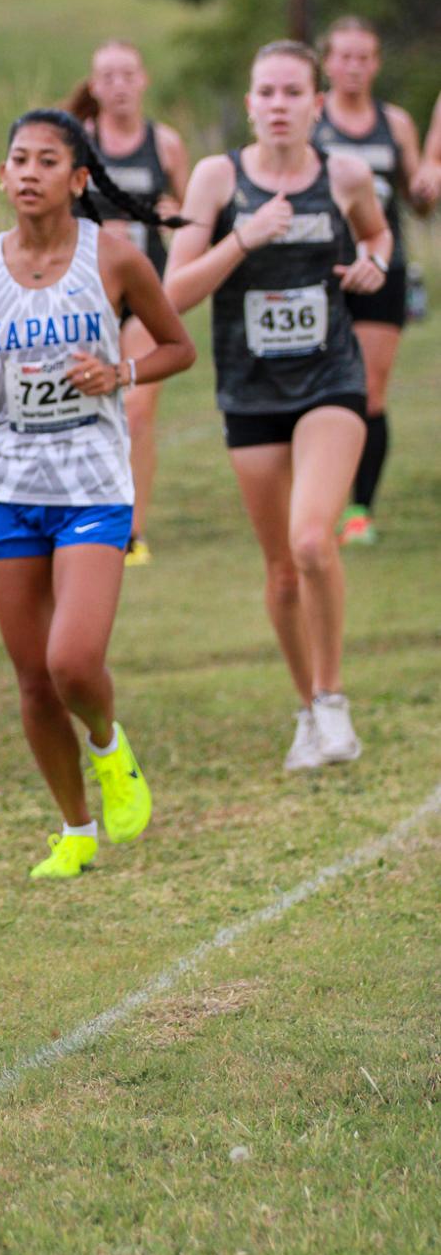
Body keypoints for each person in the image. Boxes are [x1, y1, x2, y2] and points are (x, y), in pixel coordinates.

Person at [0, 109, 195, 880]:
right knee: (32, 677)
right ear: (2, 176)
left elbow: (178, 346)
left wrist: (119, 373)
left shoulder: (115, 259)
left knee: (74, 660)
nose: (27, 172)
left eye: (46, 161)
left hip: (92, 478)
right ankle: (75, 826)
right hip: (5, 485)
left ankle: (108, 746)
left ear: (78, 179)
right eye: (16, 159)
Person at [165, 42, 390, 772]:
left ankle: (332, 699)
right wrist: (242, 236)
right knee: (282, 568)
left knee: (312, 540)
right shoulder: (215, 178)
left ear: (318, 104)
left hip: (331, 380)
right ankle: (306, 709)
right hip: (250, 391)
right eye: (266, 91)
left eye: (294, 91)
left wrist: (375, 262)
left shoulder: (345, 173)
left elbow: (378, 231)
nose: (279, 104)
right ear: (251, 101)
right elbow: (174, 293)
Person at [67, 42, 190, 564]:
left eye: (127, 74)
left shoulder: (165, 144)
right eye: (107, 76)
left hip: (146, 292)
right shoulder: (77, 143)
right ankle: (84, 514)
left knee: (137, 409)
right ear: (94, 86)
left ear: (143, 81)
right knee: (86, 406)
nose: (118, 85)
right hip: (84, 295)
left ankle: (132, 533)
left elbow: (195, 217)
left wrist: (172, 212)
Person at [311, 17, 421, 544]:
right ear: (327, 62)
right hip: (323, 270)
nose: (354, 67)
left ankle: (359, 510)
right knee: (318, 387)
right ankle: (314, 501)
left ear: (376, 64)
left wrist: (427, 186)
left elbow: (418, 192)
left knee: (370, 391)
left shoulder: (394, 123)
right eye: (344, 56)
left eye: (364, 57)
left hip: (384, 269)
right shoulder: (311, 121)